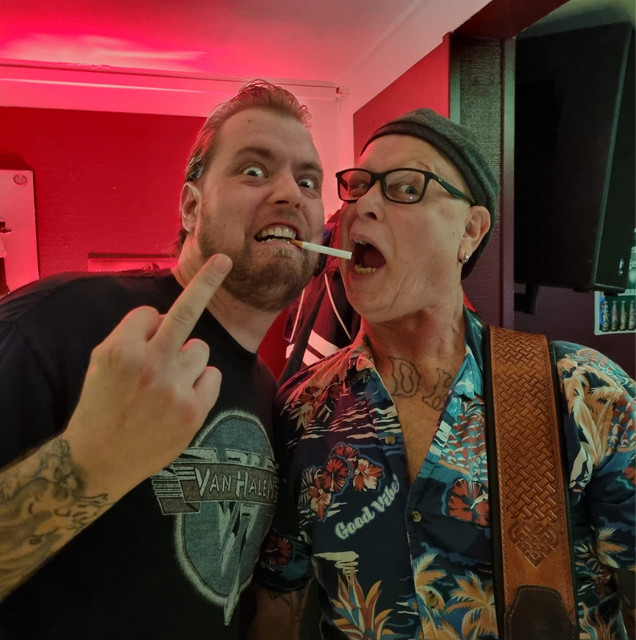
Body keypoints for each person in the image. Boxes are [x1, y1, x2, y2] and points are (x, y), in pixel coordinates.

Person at [251, 109, 636, 639]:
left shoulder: (583, 393)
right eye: (357, 187)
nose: (362, 206)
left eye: (407, 188)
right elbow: (280, 606)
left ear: (470, 231)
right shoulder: (299, 412)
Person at [0, 79, 325, 639]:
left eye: (308, 181)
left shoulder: (271, 392)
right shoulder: (58, 320)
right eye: (253, 170)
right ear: (192, 206)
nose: (290, 194)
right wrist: (91, 462)